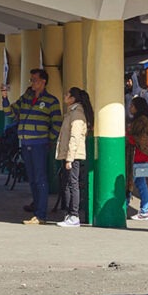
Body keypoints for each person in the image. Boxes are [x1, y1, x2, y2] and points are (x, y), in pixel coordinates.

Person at [1, 68, 62, 225]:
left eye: (34, 79)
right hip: (26, 143)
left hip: (40, 144)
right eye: (31, 80)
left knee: (41, 178)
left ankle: (41, 215)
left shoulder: (51, 101)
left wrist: (49, 139)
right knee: (33, 179)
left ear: (43, 82)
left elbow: (57, 123)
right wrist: (5, 98)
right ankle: (36, 206)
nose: (32, 83)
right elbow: (11, 114)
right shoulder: (26, 98)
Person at [55, 87, 93, 228]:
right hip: (69, 154)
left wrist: (70, 158)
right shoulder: (72, 112)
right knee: (67, 184)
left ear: (73, 98)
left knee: (72, 184)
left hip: (73, 155)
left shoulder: (77, 114)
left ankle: (74, 215)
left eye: (67, 94)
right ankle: (69, 214)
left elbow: (74, 137)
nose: (64, 96)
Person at [127, 96, 148, 220]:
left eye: (132, 106)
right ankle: (144, 210)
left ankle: (125, 206)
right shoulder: (142, 120)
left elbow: (140, 139)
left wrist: (128, 136)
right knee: (141, 184)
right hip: (141, 156)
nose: (130, 108)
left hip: (137, 156)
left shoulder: (141, 121)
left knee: (130, 183)